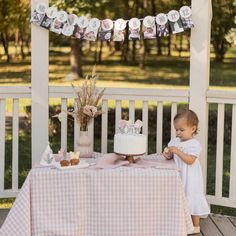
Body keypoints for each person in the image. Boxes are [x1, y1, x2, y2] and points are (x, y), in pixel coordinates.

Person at [162, 109, 210, 234]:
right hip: (179, 175)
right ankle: (182, 221)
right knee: (181, 197)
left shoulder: (194, 144)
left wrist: (177, 151)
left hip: (191, 177)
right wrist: (168, 154)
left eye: (181, 130)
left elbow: (190, 160)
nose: (178, 133)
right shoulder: (174, 142)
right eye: (176, 129)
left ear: (193, 129)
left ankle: (195, 225)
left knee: (192, 197)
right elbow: (172, 157)